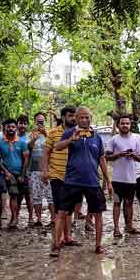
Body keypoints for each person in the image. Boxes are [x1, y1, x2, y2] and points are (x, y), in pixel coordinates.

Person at [52, 106, 110, 256]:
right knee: (62, 212)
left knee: (98, 213)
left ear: (91, 118)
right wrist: (71, 140)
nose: (84, 120)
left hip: (92, 181)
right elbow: (57, 147)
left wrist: (107, 181)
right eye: (81, 117)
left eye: (87, 117)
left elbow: (102, 159)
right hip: (72, 180)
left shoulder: (97, 136)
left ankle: (98, 246)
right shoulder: (69, 132)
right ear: (76, 119)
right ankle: (56, 246)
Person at [43, 106, 79, 252]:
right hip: (57, 175)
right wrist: (45, 171)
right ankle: (58, 240)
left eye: (75, 116)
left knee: (69, 209)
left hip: (73, 176)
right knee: (60, 209)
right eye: (70, 116)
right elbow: (46, 153)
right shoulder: (53, 133)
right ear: (63, 117)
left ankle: (68, 237)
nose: (73, 118)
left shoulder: (80, 132)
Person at [106, 114, 140, 237]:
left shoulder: (136, 139)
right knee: (117, 203)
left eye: (127, 123)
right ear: (118, 125)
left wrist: (132, 155)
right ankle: (116, 228)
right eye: (122, 123)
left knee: (129, 203)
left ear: (130, 124)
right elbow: (106, 157)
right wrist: (119, 155)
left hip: (131, 178)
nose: (125, 125)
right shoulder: (113, 140)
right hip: (117, 178)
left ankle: (129, 226)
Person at [0, 118, 30, 229]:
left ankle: (28, 218)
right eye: (8, 127)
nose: (11, 129)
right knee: (13, 195)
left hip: (21, 172)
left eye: (13, 127)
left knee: (24, 195)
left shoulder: (22, 142)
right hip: (9, 173)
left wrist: (22, 175)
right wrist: (5, 172)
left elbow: (26, 159)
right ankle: (14, 219)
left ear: (16, 128)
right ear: (5, 128)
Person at [27, 112, 54, 226]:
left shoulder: (50, 133)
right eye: (38, 121)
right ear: (34, 121)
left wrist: (45, 134)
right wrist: (34, 138)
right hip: (34, 169)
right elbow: (29, 147)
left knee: (50, 195)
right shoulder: (31, 134)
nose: (40, 123)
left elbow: (55, 146)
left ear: (45, 121)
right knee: (36, 196)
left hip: (48, 169)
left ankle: (53, 218)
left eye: (42, 121)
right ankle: (38, 219)